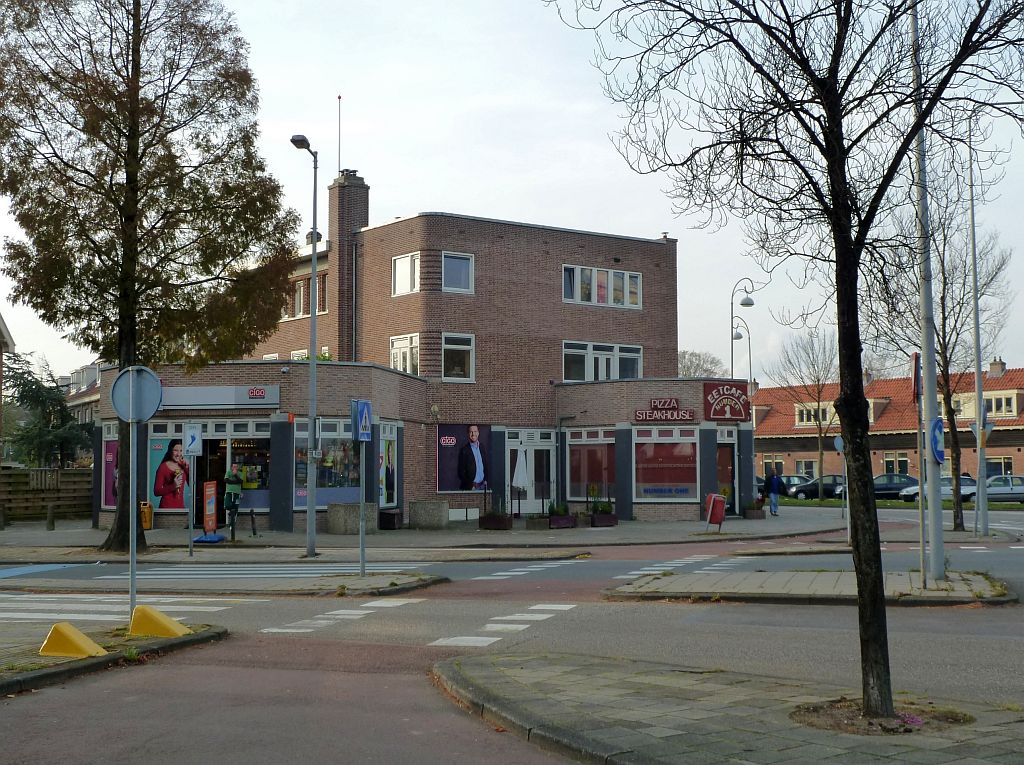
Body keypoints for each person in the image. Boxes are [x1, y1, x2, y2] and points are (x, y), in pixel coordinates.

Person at [153, 439, 189, 509]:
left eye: (181, 451)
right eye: (175, 450)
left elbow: (192, 485)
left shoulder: (183, 465)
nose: (178, 454)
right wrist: (173, 486)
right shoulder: (163, 467)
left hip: (181, 508)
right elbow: (156, 492)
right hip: (166, 509)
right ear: (170, 450)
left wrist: (187, 467)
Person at [457, 424, 488, 490]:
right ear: (468, 434)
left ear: (478, 433)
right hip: (471, 488)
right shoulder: (464, 450)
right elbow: (460, 472)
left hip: (483, 486)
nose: (473, 434)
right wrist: (470, 485)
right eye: (471, 432)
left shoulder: (482, 447)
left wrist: (485, 480)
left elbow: (485, 466)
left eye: (475, 431)